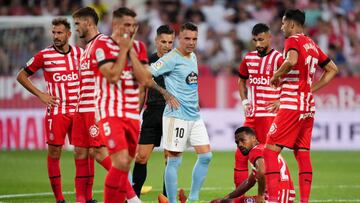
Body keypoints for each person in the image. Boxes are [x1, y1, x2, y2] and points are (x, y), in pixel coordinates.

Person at [93, 7, 177, 203]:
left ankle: (161, 198)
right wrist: (124, 49)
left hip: (138, 115)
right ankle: (133, 199)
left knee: (132, 162)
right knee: (129, 160)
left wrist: (129, 50)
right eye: (126, 25)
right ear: (115, 25)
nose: (130, 29)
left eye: (133, 25)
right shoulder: (102, 47)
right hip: (114, 112)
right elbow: (113, 76)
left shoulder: (139, 49)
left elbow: (145, 79)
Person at [264, 9, 339, 203]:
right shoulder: (312, 44)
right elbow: (333, 69)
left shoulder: (294, 40)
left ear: (291, 24)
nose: (281, 27)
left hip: (292, 107)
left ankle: (272, 199)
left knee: (269, 151)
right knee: (302, 155)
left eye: (282, 23)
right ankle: (304, 201)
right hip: (308, 108)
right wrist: (310, 89)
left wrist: (276, 75)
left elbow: (292, 61)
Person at [72, 6, 141, 202]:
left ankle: (132, 197)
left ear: (88, 23)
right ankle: (81, 199)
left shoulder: (103, 42)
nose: (76, 28)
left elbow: (115, 73)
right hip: (81, 108)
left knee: (101, 153)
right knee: (81, 152)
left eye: (77, 24)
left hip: (94, 108)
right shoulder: (87, 48)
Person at [16, 18, 82, 203]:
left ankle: (83, 197)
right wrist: (40, 94)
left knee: (83, 152)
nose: (56, 36)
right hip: (57, 111)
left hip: (78, 111)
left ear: (69, 34)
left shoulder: (79, 53)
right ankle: (59, 199)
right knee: (54, 153)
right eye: (54, 32)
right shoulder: (44, 55)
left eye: (59, 33)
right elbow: (21, 75)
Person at [151, 22, 213, 203]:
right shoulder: (171, 58)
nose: (191, 42)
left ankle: (193, 199)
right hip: (176, 116)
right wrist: (165, 93)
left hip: (194, 116)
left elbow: (189, 83)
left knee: (206, 156)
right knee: (174, 161)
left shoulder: (193, 57)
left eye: (194, 39)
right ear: (179, 39)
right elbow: (147, 74)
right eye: (187, 38)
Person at [235, 23, 283, 188]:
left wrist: (281, 100)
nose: (258, 44)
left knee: (268, 157)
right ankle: (239, 197)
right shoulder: (248, 58)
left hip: (270, 117)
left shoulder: (280, 59)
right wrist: (244, 101)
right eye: (255, 40)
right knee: (240, 155)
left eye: (261, 39)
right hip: (252, 117)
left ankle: (272, 194)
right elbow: (241, 80)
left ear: (270, 37)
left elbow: (294, 83)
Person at [132, 24, 175, 198]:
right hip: (152, 113)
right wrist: (136, 113)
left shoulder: (179, 61)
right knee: (141, 157)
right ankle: (134, 198)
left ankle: (166, 198)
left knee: (169, 158)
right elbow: (143, 89)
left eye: (170, 42)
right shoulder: (148, 61)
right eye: (163, 41)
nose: (167, 45)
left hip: (172, 113)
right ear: (156, 41)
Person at [209, 126, 295, 203]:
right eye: (237, 142)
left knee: (217, 202)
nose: (240, 145)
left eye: (243, 140)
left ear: (253, 138)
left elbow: (262, 171)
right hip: (287, 196)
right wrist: (227, 197)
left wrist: (260, 195)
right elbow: (249, 182)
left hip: (274, 197)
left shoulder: (255, 151)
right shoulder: (265, 149)